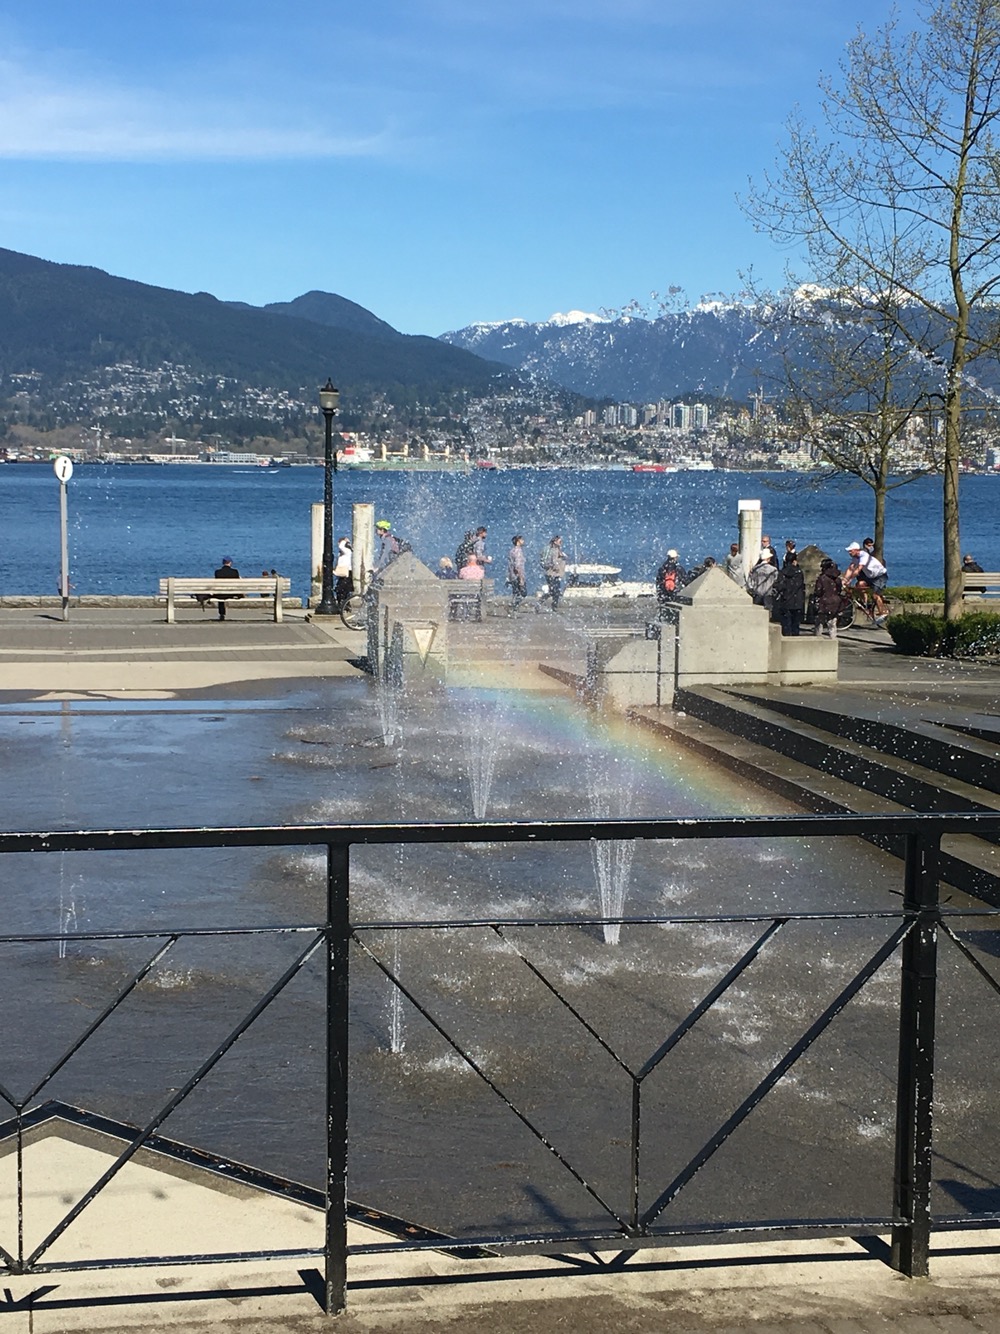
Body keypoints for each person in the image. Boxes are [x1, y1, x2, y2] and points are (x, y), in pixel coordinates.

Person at [844, 539, 888, 624]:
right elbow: (850, 569)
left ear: (856, 550)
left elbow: (858, 570)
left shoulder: (863, 555)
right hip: (870, 577)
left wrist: (849, 580)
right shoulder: (855, 558)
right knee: (859, 584)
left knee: (875, 595)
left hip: (880, 576)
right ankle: (865, 604)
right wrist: (844, 580)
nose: (849, 553)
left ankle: (883, 613)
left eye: (850, 551)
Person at [772, 552, 805, 636]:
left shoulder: (782, 572)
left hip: (785, 601)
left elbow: (779, 586)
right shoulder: (799, 573)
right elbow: (800, 586)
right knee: (795, 625)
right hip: (797, 601)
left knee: (786, 624)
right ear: (794, 561)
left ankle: (786, 639)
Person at [813, 558, 843, 638]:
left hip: (824, 603)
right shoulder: (838, 579)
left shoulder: (822, 578)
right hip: (836, 603)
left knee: (819, 623)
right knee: (832, 624)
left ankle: (818, 640)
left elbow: (818, 591)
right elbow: (839, 590)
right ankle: (833, 641)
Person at [539, 535, 567, 610]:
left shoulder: (555, 550)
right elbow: (554, 562)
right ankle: (548, 605)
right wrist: (558, 569)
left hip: (551, 574)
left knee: (554, 591)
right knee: (554, 591)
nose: (561, 543)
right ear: (555, 542)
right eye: (560, 541)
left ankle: (552, 605)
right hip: (553, 574)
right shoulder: (554, 550)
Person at [214, 555, 241, 620]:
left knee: (220, 594)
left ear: (223, 563)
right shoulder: (235, 572)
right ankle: (222, 614)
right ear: (230, 563)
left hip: (221, 594)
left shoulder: (217, 572)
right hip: (232, 593)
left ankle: (222, 613)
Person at [506, 534, 527, 610]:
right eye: (522, 540)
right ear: (518, 541)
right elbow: (517, 566)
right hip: (517, 575)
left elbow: (510, 565)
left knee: (515, 593)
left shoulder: (512, 550)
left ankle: (513, 609)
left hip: (512, 575)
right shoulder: (518, 551)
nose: (523, 541)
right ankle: (513, 607)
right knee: (523, 594)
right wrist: (521, 578)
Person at [333, 537, 353, 604]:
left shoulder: (347, 551)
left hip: (347, 573)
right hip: (342, 573)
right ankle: (341, 604)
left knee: (344, 590)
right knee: (339, 590)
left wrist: (344, 540)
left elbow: (341, 546)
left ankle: (345, 605)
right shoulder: (341, 553)